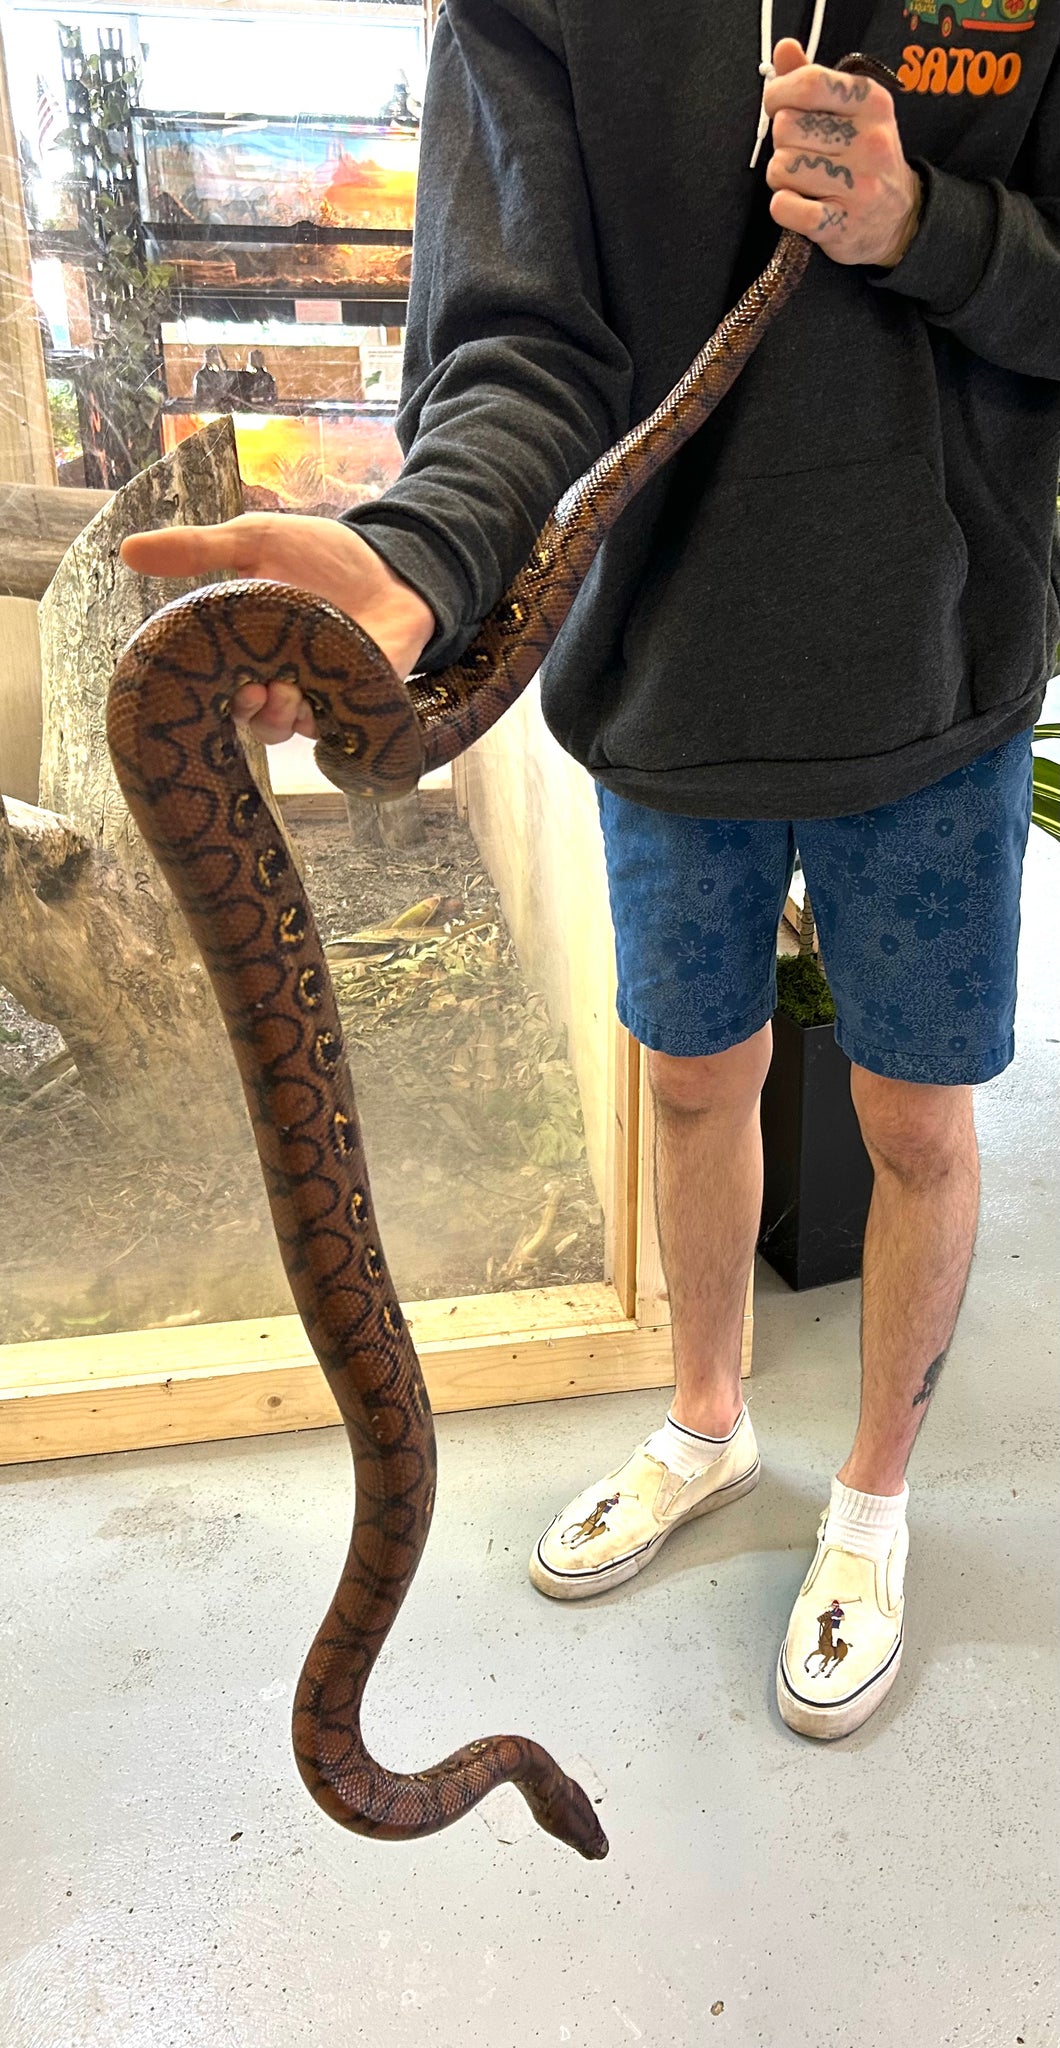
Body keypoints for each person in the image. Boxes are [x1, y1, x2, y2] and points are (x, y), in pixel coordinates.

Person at [121, 2, 1060, 1741]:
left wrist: (930, 228)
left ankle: (871, 1503)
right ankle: (707, 1426)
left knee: (919, 1125)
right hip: (664, 683)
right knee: (693, 1083)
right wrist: (416, 560)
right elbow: (520, 343)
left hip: (941, 683)